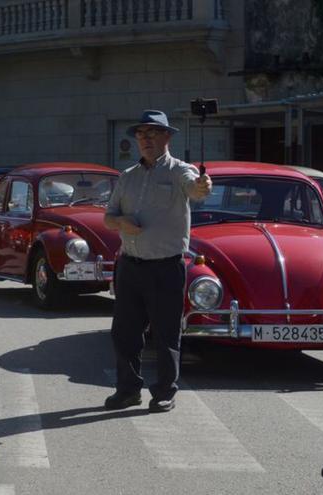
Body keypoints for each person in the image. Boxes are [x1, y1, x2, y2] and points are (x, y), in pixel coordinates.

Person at [103, 110, 212, 413]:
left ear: (167, 137)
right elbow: (107, 218)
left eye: (153, 133)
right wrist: (122, 222)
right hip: (130, 266)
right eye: (141, 134)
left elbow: (196, 188)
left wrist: (203, 186)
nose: (146, 139)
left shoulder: (180, 171)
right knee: (124, 333)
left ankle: (165, 391)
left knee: (166, 334)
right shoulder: (127, 178)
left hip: (165, 266)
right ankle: (127, 390)